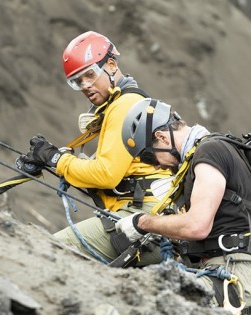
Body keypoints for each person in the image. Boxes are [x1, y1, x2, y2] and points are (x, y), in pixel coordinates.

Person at [17, 31, 171, 264]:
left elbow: (106, 175)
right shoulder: (125, 103)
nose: (85, 86)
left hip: (141, 217)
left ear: (110, 64)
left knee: (47, 251)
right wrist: (64, 161)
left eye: (90, 75)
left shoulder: (124, 106)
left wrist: (56, 160)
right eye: (77, 82)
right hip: (149, 214)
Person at [115, 98, 251, 315]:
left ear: (161, 137)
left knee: (153, 311)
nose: (156, 166)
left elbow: (197, 225)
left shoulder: (209, 152)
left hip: (234, 271)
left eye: (149, 157)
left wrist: (142, 222)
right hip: (234, 269)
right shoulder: (208, 152)